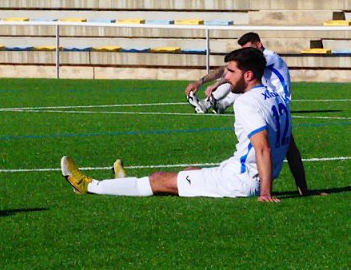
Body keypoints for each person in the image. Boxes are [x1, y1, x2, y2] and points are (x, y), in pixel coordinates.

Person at [61, 47, 311, 201]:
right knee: (190, 171)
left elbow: (263, 148)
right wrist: (303, 189)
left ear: (248, 75)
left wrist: (265, 193)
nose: (225, 77)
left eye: (230, 72)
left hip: (240, 181)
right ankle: (121, 181)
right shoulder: (276, 97)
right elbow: (291, 148)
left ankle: (89, 185)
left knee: (159, 180)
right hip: (237, 173)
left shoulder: (246, 102)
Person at [185, 32, 291, 114]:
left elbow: (237, 73)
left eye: (249, 48)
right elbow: (226, 69)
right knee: (236, 74)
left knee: (242, 78)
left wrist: (216, 84)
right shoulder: (256, 58)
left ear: (258, 44)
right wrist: (199, 82)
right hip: (265, 95)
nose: (247, 53)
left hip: (279, 99)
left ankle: (217, 104)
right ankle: (211, 104)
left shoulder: (270, 57)